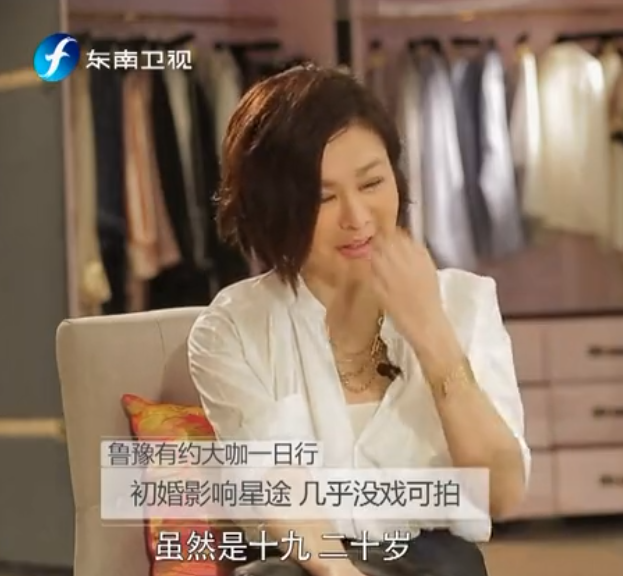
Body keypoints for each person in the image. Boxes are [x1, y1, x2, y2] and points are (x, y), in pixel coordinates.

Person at [187, 64, 530, 576]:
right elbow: (278, 487)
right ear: (274, 206)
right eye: (323, 197)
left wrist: (433, 336)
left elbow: (501, 493)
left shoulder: (466, 302)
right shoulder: (233, 328)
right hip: (303, 563)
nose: (357, 217)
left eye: (372, 183)